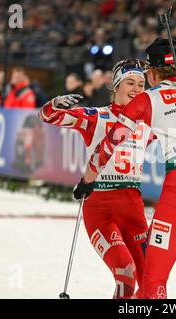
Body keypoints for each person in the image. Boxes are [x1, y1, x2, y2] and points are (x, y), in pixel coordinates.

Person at [75, 38, 176, 299]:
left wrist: (87, 180)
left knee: (153, 280)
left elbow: (110, 145)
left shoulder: (148, 99)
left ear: (151, 73)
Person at [38, 59, 152, 299]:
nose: (136, 89)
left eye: (141, 84)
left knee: (150, 282)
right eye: (130, 82)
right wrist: (55, 103)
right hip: (101, 210)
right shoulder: (97, 117)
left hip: (135, 210)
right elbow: (48, 116)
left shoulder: (146, 125)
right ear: (115, 86)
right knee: (125, 273)